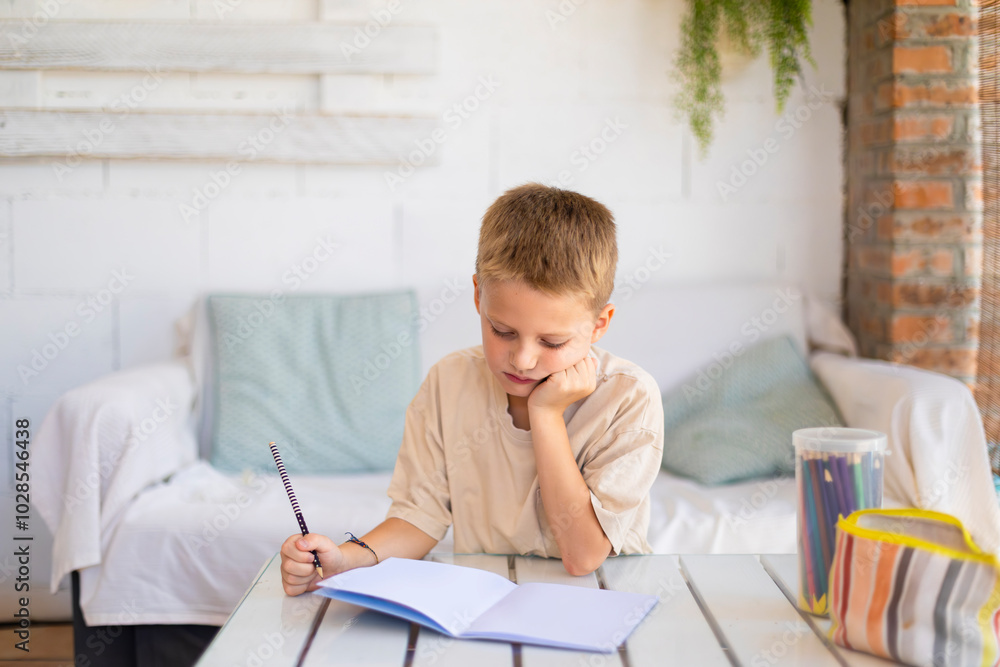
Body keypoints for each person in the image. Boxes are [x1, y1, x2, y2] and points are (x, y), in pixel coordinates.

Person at [280, 183, 664, 595]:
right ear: (479, 295)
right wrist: (345, 559)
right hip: (486, 604)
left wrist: (547, 415)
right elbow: (418, 517)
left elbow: (583, 556)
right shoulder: (449, 382)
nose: (522, 359)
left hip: (598, 603)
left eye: (552, 343)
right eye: (502, 331)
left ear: (600, 324)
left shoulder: (629, 399)